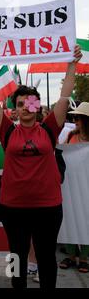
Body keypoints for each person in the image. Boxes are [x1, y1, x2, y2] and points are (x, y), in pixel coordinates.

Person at [0, 45, 82, 288]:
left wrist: (71, 65)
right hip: (13, 207)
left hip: (48, 207)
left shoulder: (50, 129)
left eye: (30, 103)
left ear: (37, 106)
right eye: (20, 103)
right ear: (15, 107)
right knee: (16, 255)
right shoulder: (7, 130)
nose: (25, 107)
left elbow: (64, 96)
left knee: (45, 257)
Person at [59, 102, 89, 274]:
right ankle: (71, 255)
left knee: (86, 219)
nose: (75, 120)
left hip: (86, 185)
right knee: (70, 218)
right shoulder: (70, 135)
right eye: (75, 117)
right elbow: (62, 155)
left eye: (78, 117)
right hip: (70, 184)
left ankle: (84, 258)